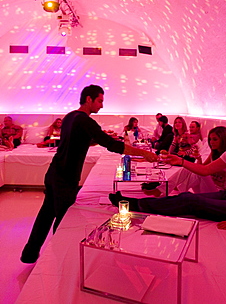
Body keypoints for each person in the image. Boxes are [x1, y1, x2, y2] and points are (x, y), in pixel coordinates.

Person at [21, 85, 158, 264]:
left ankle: (29, 255)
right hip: (65, 178)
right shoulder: (85, 121)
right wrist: (144, 153)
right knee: (63, 221)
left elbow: (77, 141)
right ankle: (59, 260)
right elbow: (111, 145)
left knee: (45, 215)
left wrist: (96, 138)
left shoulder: (70, 116)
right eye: (100, 100)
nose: (101, 105)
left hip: (53, 173)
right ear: (88, 99)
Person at [109, 117, 226, 230]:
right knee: (186, 196)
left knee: (191, 201)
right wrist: (181, 161)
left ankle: (135, 205)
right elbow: (205, 170)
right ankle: (138, 203)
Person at [144, 126, 226, 197]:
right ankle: (164, 190)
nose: (211, 142)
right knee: (189, 168)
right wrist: (199, 159)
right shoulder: (213, 153)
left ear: (223, 139)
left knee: (196, 171)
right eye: (210, 139)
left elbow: (204, 171)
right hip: (205, 188)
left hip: (218, 192)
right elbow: (202, 167)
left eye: (215, 139)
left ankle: (169, 190)